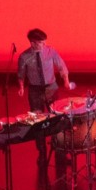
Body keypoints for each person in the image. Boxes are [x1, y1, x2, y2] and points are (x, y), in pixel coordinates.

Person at [17, 28, 71, 165]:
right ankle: (41, 152)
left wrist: (65, 80)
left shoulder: (50, 51)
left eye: (44, 42)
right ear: (33, 43)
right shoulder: (24, 57)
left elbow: (61, 66)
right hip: (35, 91)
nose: (44, 44)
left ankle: (60, 151)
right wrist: (21, 87)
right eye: (41, 42)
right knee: (37, 122)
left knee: (58, 119)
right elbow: (21, 74)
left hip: (51, 88)